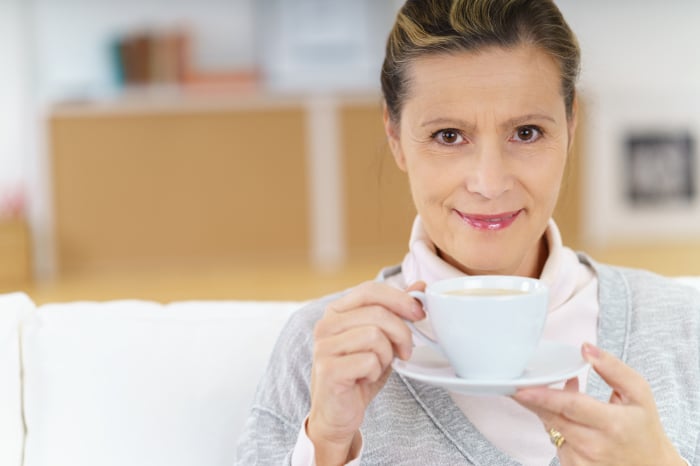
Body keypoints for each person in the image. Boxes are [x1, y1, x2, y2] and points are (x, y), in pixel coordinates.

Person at [235, 0, 700, 464]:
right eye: (449, 136)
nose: (489, 183)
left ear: (570, 126)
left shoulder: (682, 328)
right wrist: (327, 444)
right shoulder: (321, 350)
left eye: (527, 132)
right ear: (394, 136)